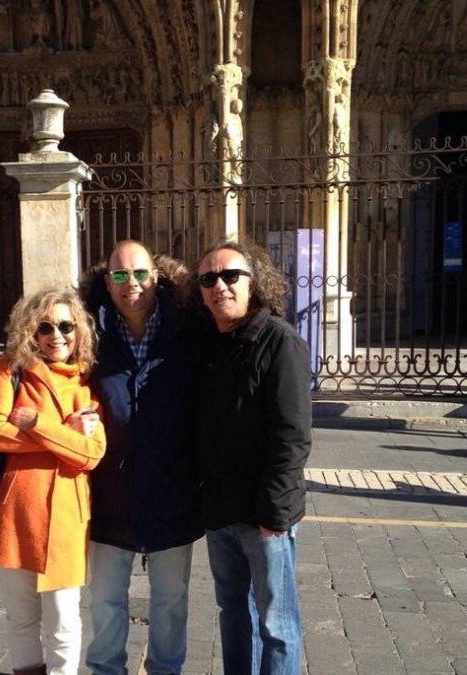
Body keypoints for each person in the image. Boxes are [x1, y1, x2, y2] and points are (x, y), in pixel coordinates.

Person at [187, 239, 312, 675]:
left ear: (254, 283)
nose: (219, 285)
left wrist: (274, 514)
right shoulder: (209, 344)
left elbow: (292, 436)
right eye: (208, 279)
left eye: (230, 275)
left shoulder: (280, 342)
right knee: (232, 613)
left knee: (277, 622)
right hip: (220, 510)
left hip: (263, 515)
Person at [78, 240, 202, 675]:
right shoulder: (86, 332)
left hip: (173, 491)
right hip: (109, 492)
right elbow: (40, 355)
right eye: (118, 275)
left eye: (138, 273)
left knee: (170, 601)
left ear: (156, 276)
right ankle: (106, 670)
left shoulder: (188, 328)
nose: (129, 283)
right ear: (105, 281)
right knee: (107, 600)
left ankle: (165, 671)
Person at [0, 286, 107, 675]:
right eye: (44, 327)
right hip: (14, 514)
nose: (56, 336)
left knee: (64, 621)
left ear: (79, 330)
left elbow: (92, 454)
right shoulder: (7, 370)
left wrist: (37, 423)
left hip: (67, 518)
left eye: (65, 326)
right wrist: (62, 435)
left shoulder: (87, 381)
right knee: (21, 618)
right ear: (29, 332)